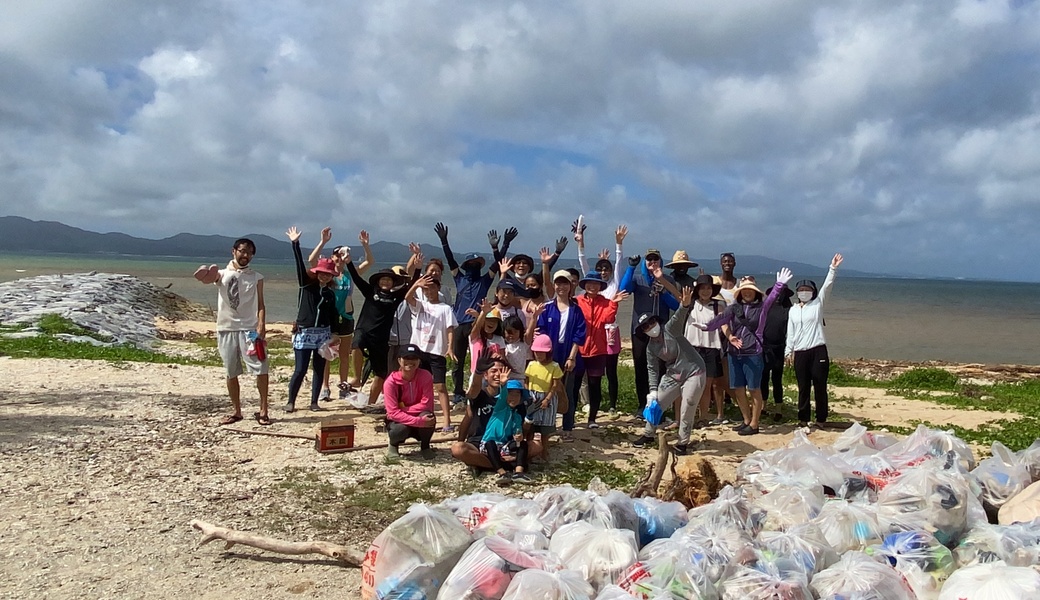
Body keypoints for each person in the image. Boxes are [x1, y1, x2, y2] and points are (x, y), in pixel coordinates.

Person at [696, 268, 794, 435]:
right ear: (740, 292)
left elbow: (771, 299)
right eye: (744, 290)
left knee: (754, 388)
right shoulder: (734, 308)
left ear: (755, 292)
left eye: (750, 290)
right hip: (735, 353)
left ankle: (755, 424)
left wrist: (779, 285)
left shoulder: (762, 308)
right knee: (738, 388)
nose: (747, 292)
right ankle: (746, 420)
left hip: (753, 353)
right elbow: (721, 319)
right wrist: (707, 327)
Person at [435, 222, 515, 404]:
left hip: (475, 325)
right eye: (470, 264)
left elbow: (496, 264)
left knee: (478, 358)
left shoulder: (485, 281)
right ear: (466, 266)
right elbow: (450, 261)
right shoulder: (460, 278)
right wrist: (444, 241)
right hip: (457, 324)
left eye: (476, 264)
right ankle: (457, 392)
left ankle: (482, 388)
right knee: (457, 359)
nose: (473, 266)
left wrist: (505, 245)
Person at [193, 238, 270, 426]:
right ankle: (236, 411)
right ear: (233, 251)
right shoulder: (221, 274)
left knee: (261, 368)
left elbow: (261, 303)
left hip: (249, 329)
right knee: (231, 371)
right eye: (242, 251)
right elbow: (207, 278)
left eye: (249, 252)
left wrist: (261, 324)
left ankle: (263, 410)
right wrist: (204, 274)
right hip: (226, 328)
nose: (245, 255)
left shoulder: (256, 277)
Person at [630, 286, 707, 455]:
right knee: (656, 404)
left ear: (657, 321)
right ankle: (648, 434)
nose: (650, 327)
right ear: (643, 331)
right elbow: (652, 369)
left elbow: (680, 316)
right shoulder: (651, 347)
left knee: (688, 406)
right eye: (646, 327)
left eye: (652, 322)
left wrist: (685, 305)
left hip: (694, 371)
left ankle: (682, 442)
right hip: (673, 374)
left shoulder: (671, 329)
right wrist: (652, 391)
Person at [347, 244, 420, 408]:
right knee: (356, 344)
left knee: (380, 374)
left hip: (381, 339)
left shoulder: (396, 297)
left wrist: (418, 268)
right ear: (378, 281)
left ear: (393, 282)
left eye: (388, 279)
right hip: (364, 330)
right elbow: (356, 278)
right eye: (383, 279)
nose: (385, 281)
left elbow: (412, 285)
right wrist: (349, 262)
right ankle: (357, 377)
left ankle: (371, 404)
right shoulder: (370, 292)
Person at [451, 354, 544, 476]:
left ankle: (487, 464)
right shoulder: (481, 395)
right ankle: (504, 464)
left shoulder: (515, 396)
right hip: (480, 442)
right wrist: (478, 372)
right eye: (493, 371)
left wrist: (529, 419)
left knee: (537, 446)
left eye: (501, 371)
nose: (497, 375)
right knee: (458, 449)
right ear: (486, 375)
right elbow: (472, 395)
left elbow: (523, 429)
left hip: (506, 444)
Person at [284, 226, 339, 413]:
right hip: (304, 332)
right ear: (316, 272)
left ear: (331, 276)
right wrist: (295, 244)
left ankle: (314, 402)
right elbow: (299, 264)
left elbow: (333, 315)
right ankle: (291, 401)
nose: (324, 275)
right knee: (300, 369)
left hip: (323, 334)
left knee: (319, 368)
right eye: (322, 272)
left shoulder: (330, 294)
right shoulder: (306, 286)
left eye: (328, 273)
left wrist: (335, 334)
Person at [575, 223, 627, 415]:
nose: (604, 271)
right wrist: (581, 242)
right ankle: (586, 404)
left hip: (610, 333)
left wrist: (618, 244)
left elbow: (619, 264)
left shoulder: (613, 286)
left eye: (607, 268)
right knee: (584, 375)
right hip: (589, 337)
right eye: (600, 269)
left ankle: (612, 405)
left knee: (611, 371)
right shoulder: (586, 291)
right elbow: (583, 264)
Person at [786, 254, 843, 427]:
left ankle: (821, 419)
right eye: (801, 290)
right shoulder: (793, 310)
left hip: (818, 350)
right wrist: (789, 351)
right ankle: (803, 419)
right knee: (803, 387)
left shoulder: (818, 304)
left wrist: (832, 268)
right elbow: (791, 331)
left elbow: (828, 286)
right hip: (801, 352)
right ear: (797, 293)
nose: (804, 292)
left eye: (807, 290)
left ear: (813, 292)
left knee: (819, 385)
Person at [619, 249, 679, 414]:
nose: (652, 262)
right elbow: (623, 290)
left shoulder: (668, 280)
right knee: (641, 367)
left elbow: (676, 306)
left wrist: (664, 292)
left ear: (660, 261)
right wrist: (631, 267)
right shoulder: (638, 280)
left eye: (656, 259)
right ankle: (642, 405)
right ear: (645, 262)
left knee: (661, 368)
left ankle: (660, 406)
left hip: (662, 332)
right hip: (639, 331)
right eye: (649, 259)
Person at [534, 269, 587, 442]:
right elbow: (540, 332)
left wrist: (572, 357)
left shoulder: (576, 310)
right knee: (545, 390)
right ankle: (545, 426)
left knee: (568, 391)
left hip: (568, 354)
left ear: (571, 285)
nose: (561, 287)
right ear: (554, 285)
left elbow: (580, 335)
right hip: (550, 354)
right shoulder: (547, 308)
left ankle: (567, 427)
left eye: (565, 283)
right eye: (558, 283)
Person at [404, 273, 458, 432]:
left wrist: (450, 347)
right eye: (426, 289)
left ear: (438, 288)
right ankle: (418, 417)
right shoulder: (420, 305)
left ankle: (447, 421)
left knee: (440, 386)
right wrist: (416, 284)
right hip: (419, 351)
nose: (429, 291)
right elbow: (407, 297)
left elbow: (450, 329)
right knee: (417, 385)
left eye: (432, 288)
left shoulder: (445, 308)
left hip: (436, 351)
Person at [574, 271, 628, 428]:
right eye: (589, 284)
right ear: (584, 285)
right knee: (574, 384)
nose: (592, 286)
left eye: (596, 284)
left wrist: (614, 303)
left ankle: (592, 419)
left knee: (594, 385)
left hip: (598, 350)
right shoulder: (576, 301)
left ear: (600, 286)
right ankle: (569, 418)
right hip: (578, 349)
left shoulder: (605, 302)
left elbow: (608, 319)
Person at [684, 274, 727, 426]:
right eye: (702, 288)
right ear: (697, 290)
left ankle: (703, 417)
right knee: (691, 385)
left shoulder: (718, 306)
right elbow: (675, 295)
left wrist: (731, 336)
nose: (705, 291)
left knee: (706, 386)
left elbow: (724, 324)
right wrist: (661, 277)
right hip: (692, 348)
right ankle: (689, 416)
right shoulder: (690, 304)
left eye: (708, 288)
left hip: (711, 348)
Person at [383, 344, 437, 459]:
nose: (410, 362)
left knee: (429, 417)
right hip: (401, 420)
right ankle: (393, 445)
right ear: (399, 360)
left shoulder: (426, 376)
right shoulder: (390, 382)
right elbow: (392, 413)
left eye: (414, 358)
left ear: (419, 361)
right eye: (406, 358)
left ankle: (425, 446)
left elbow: (427, 404)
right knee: (400, 429)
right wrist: (418, 421)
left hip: (411, 414)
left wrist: (403, 410)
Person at [481, 379, 535, 486]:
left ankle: (518, 473)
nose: (513, 397)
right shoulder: (500, 408)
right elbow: (502, 397)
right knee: (490, 444)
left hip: (504, 446)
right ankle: (502, 473)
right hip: (489, 444)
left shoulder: (517, 416)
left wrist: (519, 437)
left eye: (517, 394)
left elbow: (517, 433)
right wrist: (504, 384)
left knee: (523, 443)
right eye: (510, 393)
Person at [524, 334, 564, 459]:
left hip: (548, 397)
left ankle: (544, 451)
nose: (538, 355)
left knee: (545, 428)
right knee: (531, 426)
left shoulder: (554, 366)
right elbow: (526, 380)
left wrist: (547, 399)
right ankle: (529, 450)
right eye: (536, 352)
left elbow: (555, 385)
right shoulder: (531, 365)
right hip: (533, 396)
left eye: (542, 352)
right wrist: (527, 394)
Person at [761, 285, 794, 422]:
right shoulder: (765, 308)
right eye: (777, 292)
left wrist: (791, 350)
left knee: (776, 379)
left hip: (779, 347)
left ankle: (778, 409)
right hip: (764, 347)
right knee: (763, 378)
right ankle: (763, 406)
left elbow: (793, 331)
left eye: (782, 293)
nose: (779, 295)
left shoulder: (789, 310)